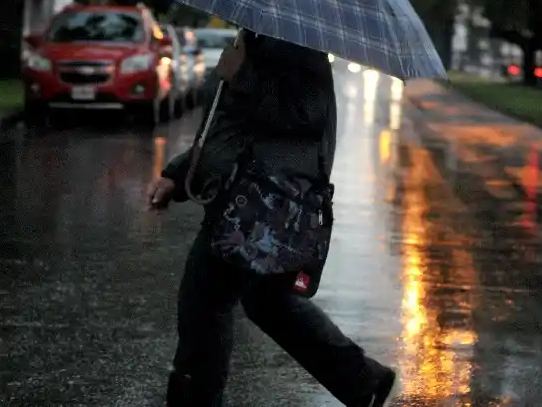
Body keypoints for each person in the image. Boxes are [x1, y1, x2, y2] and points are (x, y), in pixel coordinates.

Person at [146, 31, 400, 407]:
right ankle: (362, 380)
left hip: (260, 203)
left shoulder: (294, 42)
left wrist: (241, 77)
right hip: (240, 198)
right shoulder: (256, 36)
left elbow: (303, 114)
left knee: (207, 303)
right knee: (261, 301)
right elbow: (223, 126)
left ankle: (362, 380)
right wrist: (178, 174)